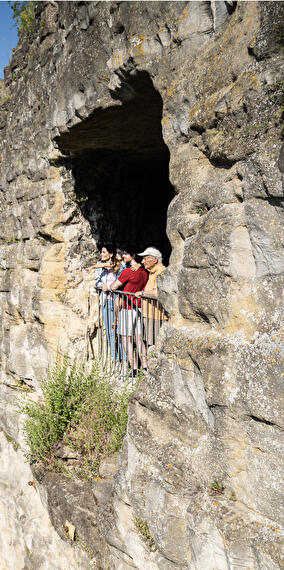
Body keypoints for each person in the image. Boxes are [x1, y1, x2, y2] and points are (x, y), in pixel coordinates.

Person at [110, 249, 148, 374]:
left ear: (133, 255)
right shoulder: (144, 272)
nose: (123, 256)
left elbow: (113, 286)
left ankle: (134, 368)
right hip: (139, 307)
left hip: (128, 308)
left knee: (125, 339)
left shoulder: (128, 272)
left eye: (126, 254)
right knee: (138, 338)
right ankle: (145, 366)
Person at [137, 246, 166, 346]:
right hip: (150, 314)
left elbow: (160, 292)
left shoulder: (161, 272)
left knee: (155, 345)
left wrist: (143, 293)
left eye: (145, 258)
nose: (142, 261)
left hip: (156, 315)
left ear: (155, 260)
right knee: (150, 343)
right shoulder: (152, 272)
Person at [94, 244, 117, 360]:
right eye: (101, 252)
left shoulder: (117, 265)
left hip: (118, 301)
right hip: (106, 301)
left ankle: (124, 359)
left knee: (120, 331)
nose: (101, 254)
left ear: (111, 254)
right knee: (110, 330)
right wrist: (101, 284)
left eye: (104, 252)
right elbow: (96, 280)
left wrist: (111, 288)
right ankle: (114, 358)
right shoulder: (99, 266)